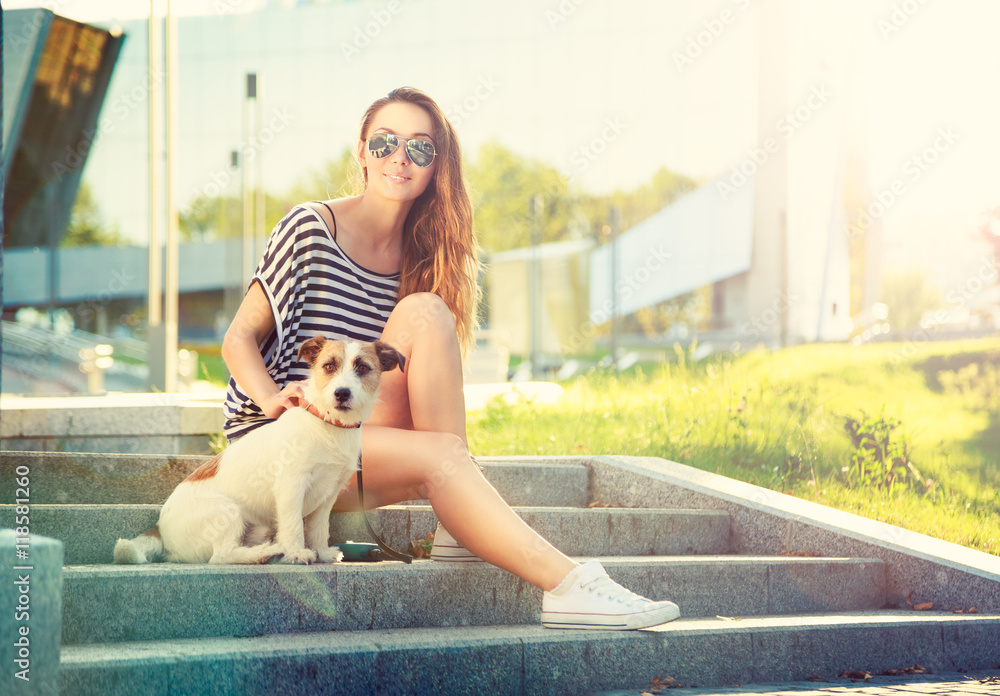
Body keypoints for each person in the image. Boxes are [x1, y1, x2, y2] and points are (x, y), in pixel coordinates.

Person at [220, 86, 680, 630]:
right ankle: (566, 583)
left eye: (420, 148)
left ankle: (459, 523)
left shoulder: (425, 251)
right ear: (362, 153)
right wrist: (273, 399)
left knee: (427, 312)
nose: (400, 158)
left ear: (438, 167)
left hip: (356, 436)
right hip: (287, 448)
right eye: (386, 142)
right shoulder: (310, 228)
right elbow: (237, 338)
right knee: (441, 456)